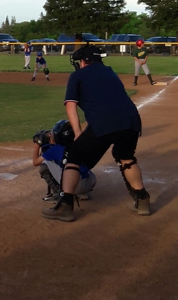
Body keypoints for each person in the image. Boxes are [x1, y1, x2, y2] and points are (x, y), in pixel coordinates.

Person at [42, 43, 150, 222]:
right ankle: (142, 200)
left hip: (104, 122)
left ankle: (65, 206)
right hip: (131, 120)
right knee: (125, 157)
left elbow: (71, 106)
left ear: (84, 61)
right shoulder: (110, 72)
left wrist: (77, 134)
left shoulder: (78, 75)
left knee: (74, 155)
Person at [32, 119, 96, 203]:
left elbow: (35, 162)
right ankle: (84, 193)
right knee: (78, 164)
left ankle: (58, 194)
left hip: (74, 185)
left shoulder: (54, 149)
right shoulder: (78, 143)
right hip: (90, 182)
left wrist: (38, 144)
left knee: (45, 164)